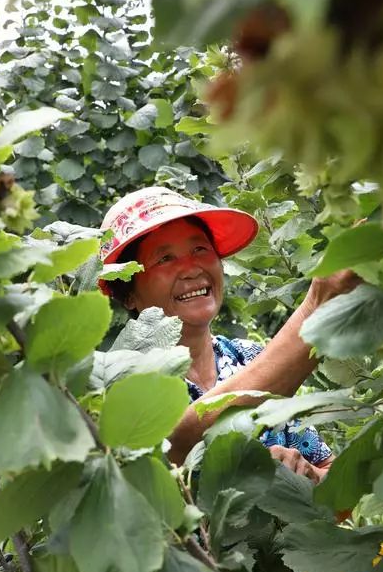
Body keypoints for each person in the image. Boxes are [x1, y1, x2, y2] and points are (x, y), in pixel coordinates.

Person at [99, 187, 360, 476]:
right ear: (129, 295)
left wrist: (305, 476)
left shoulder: (249, 357)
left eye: (200, 249)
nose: (192, 268)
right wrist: (318, 307)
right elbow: (175, 443)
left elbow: (336, 487)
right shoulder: (118, 383)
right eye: (165, 259)